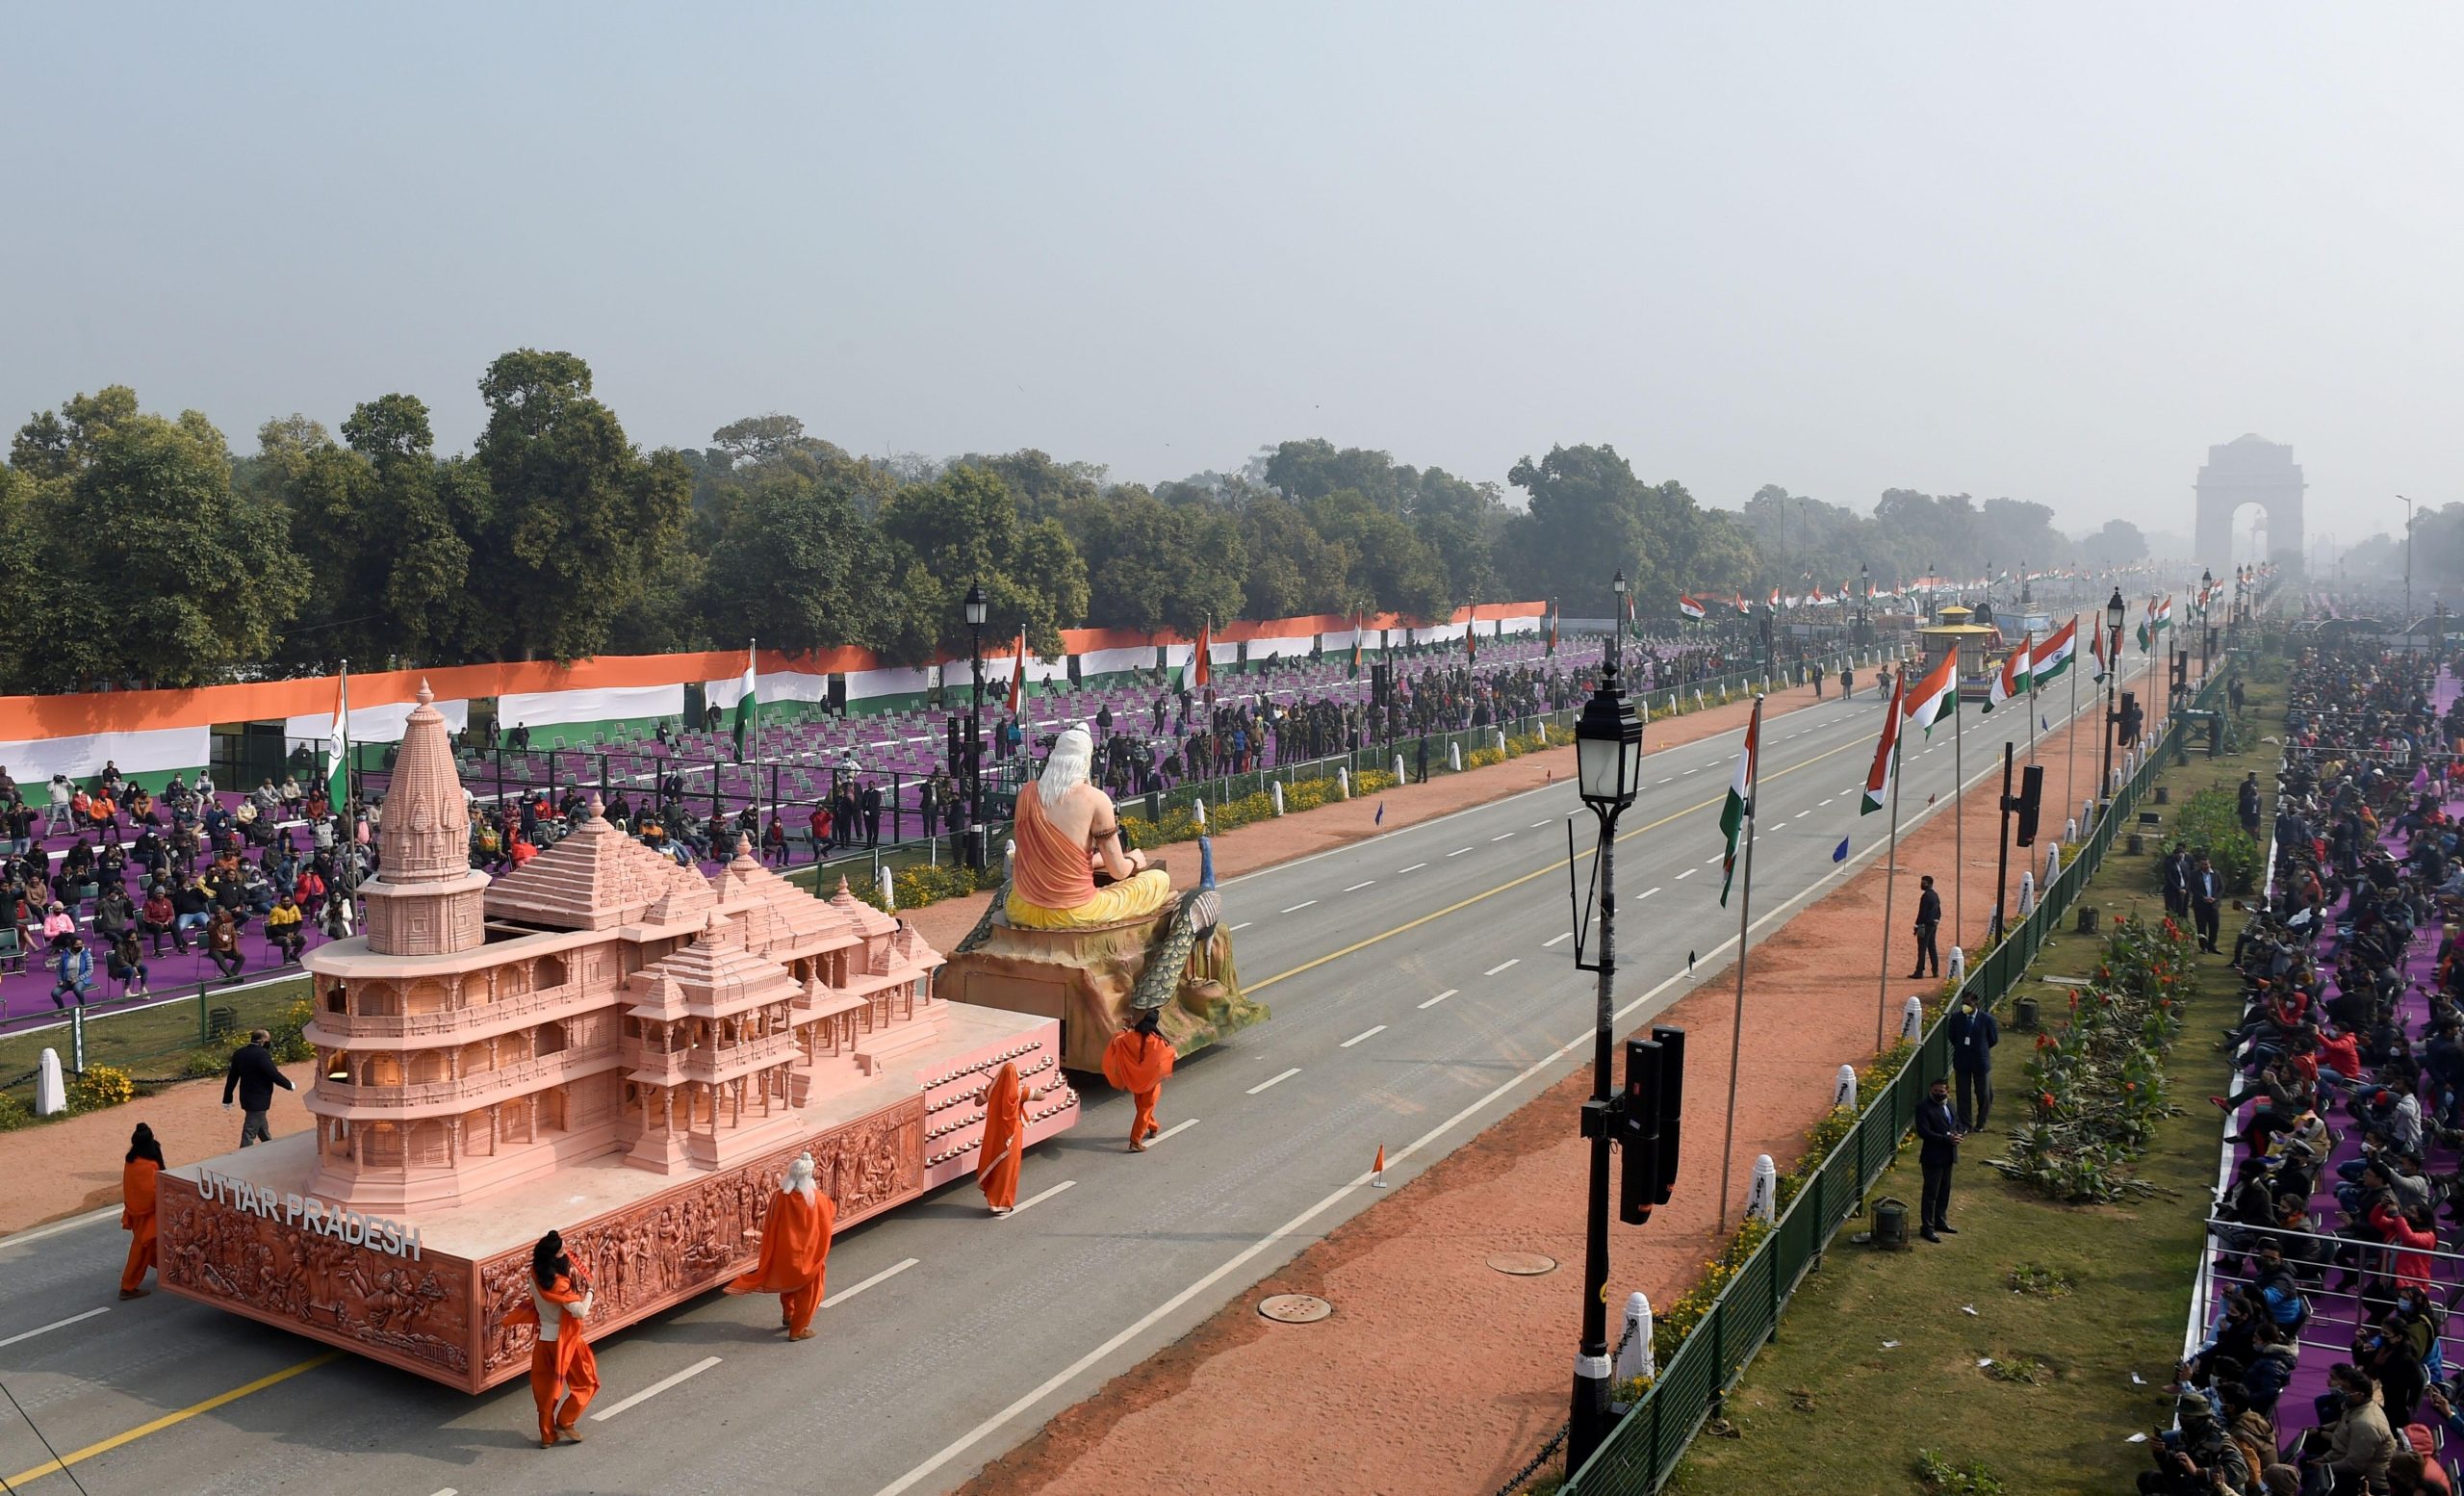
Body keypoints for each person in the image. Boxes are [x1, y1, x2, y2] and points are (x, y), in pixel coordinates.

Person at [1004, 726, 1174, 929]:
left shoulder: (1027, 793)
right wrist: (1132, 860)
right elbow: (1118, 872)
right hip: (1073, 912)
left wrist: (1091, 862)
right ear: (1086, 761)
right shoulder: (1095, 799)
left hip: (1021, 908)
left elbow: (1041, 856)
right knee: (1158, 879)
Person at [725, 1151, 835, 1341]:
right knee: (809, 1292)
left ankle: (788, 1315)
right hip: (808, 1255)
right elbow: (829, 1215)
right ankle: (797, 1329)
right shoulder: (816, 1199)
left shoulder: (778, 1197)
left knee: (789, 1285)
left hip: (785, 1253)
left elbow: (770, 1222)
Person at [504, 1229, 600, 1447]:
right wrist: (590, 1294)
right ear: (557, 1257)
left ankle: (547, 1435)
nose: (566, 1252)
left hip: (544, 1340)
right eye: (563, 1250)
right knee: (587, 1382)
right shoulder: (560, 1286)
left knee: (546, 1389)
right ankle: (565, 1421)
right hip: (566, 1341)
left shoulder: (534, 1275)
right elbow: (579, 1311)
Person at [976, 1060, 1047, 1216]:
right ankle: (1003, 1203)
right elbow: (1042, 1096)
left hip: (995, 1131)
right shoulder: (1019, 1092)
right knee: (1009, 1168)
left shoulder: (993, 1088)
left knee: (996, 1163)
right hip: (1013, 1133)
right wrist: (1021, 1087)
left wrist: (994, 1087)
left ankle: (994, 1200)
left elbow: (977, 1102)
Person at [1101, 1009, 1176, 1152]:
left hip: (1134, 1079)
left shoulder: (1129, 1037)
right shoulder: (1156, 1041)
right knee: (1145, 1109)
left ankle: (1153, 1127)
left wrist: (1127, 1027)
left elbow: (1117, 1040)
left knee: (1142, 1107)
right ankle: (1135, 1141)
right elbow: (1171, 1053)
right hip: (1150, 1082)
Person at [221, 1027, 295, 1146]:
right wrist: (289, 1085)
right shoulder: (262, 1055)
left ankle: (269, 1146)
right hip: (259, 1098)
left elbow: (232, 1078)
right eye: (268, 1041)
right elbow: (273, 1074)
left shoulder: (239, 1053)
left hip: (246, 1097)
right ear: (262, 1041)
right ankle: (243, 1155)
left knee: (261, 1125)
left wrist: (227, 1098)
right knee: (249, 1130)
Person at [1914, 1073, 1962, 1242]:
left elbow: (1956, 1122)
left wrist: (1959, 1134)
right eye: (1935, 1091)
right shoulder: (1923, 1107)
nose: (1938, 1094)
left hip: (1949, 1155)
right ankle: (1927, 1227)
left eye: (1941, 1091)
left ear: (1947, 1091)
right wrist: (1946, 1138)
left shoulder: (1950, 1104)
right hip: (1932, 1157)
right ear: (1930, 1090)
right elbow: (1924, 1132)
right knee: (1930, 1194)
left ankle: (1941, 1221)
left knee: (1944, 1191)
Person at [118, 1122, 164, 1300]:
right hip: (148, 1214)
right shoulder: (149, 1164)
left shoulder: (131, 1161)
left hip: (135, 1211)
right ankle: (128, 1287)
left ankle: (167, 1271)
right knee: (141, 1249)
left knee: (151, 1246)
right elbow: (152, 1192)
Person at [1945, 994, 1998, 1130]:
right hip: (1962, 1061)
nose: (1965, 1007)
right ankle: (1965, 1124)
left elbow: (1993, 1039)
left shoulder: (1987, 1020)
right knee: (1963, 1095)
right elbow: (1952, 1036)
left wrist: (1981, 1048)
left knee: (1984, 1094)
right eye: (1964, 1004)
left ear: (1976, 1004)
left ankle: (1981, 1122)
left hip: (1980, 1062)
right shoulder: (1957, 1018)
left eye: (1968, 1004)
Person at [1909, 874, 1942, 978]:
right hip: (1933, 925)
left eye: (1924, 883)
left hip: (1924, 925)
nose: (1922, 885)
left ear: (1929, 884)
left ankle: (1919, 971)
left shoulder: (1925, 896)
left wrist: (1916, 925)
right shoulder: (1935, 895)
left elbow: (1922, 913)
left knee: (1922, 949)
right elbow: (1939, 911)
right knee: (1932, 947)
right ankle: (1935, 970)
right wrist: (1936, 920)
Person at [48, 934, 94, 1009]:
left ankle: (83, 1006)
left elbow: (90, 970)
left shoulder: (86, 954)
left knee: (77, 989)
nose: (79, 946)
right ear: (72, 946)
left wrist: (77, 979)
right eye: (77, 945)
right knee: (55, 993)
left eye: (81, 944)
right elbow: (59, 969)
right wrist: (60, 980)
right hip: (66, 981)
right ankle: (61, 1009)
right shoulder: (65, 955)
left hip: (81, 980)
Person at [2191, 853, 2223, 954]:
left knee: (2214, 925)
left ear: (2210, 864)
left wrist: (2215, 898)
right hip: (2200, 905)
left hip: (2213, 904)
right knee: (2201, 926)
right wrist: (2202, 897)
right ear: (2199, 865)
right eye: (2203, 864)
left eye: (2206, 864)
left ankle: (2212, 945)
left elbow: (2221, 888)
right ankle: (2203, 946)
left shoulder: (2216, 874)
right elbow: (2192, 888)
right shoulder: (2195, 874)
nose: (2205, 866)